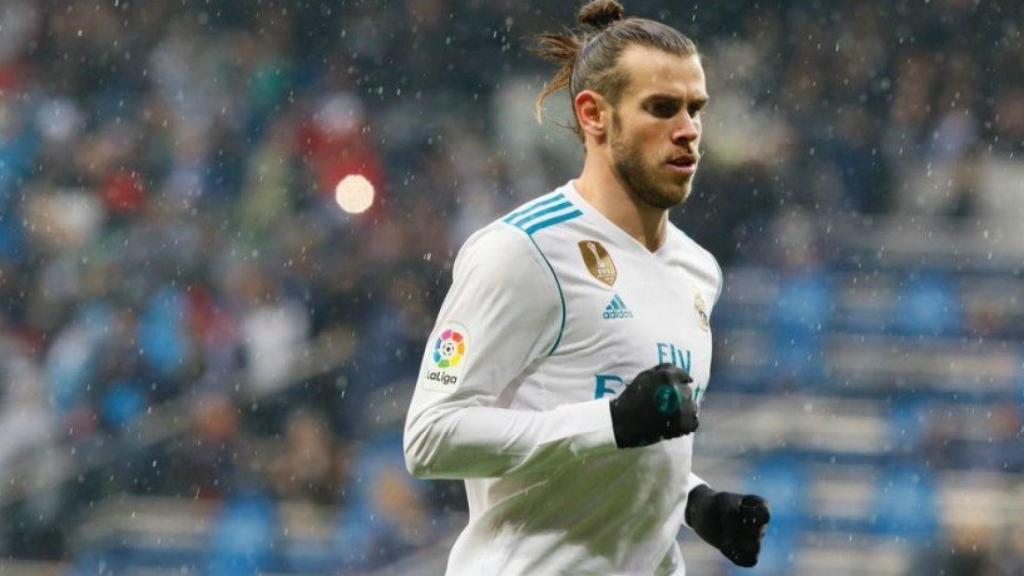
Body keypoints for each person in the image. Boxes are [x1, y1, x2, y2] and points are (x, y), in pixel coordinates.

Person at [403, 1, 770, 573]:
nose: (688, 131)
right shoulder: (522, 252)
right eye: (662, 109)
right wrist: (612, 422)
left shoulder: (698, 270)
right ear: (595, 115)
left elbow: (626, 428)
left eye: (696, 109)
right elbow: (430, 436)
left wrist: (692, 501)